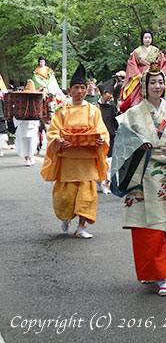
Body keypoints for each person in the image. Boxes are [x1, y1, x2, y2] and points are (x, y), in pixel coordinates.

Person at [110, 62, 166, 296]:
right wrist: (139, 145)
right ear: (144, 85)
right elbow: (121, 142)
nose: (157, 86)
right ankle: (157, 275)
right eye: (153, 82)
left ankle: (162, 274)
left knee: (165, 227)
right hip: (142, 174)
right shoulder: (133, 114)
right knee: (146, 230)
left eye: (161, 81)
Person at [41, 64, 110, 239]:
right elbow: (53, 131)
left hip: (87, 161)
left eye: (82, 88)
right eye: (76, 88)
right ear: (70, 90)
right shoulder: (62, 110)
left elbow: (102, 131)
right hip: (68, 160)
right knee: (65, 197)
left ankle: (81, 227)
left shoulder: (93, 111)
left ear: (87, 90)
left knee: (87, 196)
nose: (79, 91)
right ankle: (66, 217)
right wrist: (58, 140)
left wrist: (101, 140)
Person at [119, 29, 166, 112]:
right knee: (137, 94)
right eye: (145, 38)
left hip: (155, 73)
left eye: (149, 38)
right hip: (141, 75)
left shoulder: (157, 51)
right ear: (142, 39)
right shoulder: (137, 52)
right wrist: (138, 75)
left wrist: (161, 74)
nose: (147, 39)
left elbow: (164, 64)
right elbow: (132, 64)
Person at [96, 78, 119, 194]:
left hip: (111, 137)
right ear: (103, 93)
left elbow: (116, 121)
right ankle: (99, 182)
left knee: (109, 162)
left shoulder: (112, 107)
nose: (110, 96)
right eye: (109, 93)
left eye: (112, 94)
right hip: (99, 138)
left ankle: (106, 183)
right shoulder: (95, 108)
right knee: (99, 161)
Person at [13, 80, 42, 166]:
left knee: (24, 141)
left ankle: (27, 158)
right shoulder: (36, 99)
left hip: (23, 122)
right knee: (31, 141)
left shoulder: (21, 99)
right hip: (32, 122)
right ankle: (30, 157)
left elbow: (16, 110)